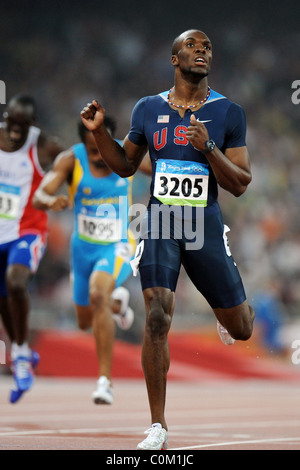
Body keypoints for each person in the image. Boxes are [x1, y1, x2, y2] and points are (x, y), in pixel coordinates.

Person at [80, 29, 255, 450]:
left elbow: (241, 184)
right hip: (160, 220)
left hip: (204, 223)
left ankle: (224, 312)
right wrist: (101, 132)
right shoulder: (147, 108)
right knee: (157, 314)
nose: (202, 51)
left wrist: (209, 147)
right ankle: (157, 425)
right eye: (193, 46)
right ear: (175, 59)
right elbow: (124, 165)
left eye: (208, 46)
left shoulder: (229, 112)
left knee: (243, 328)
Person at [33, 116, 150, 405]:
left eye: (103, 147)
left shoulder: (128, 154)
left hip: (119, 242)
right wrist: (51, 202)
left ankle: (104, 382)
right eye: (93, 150)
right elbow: (40, 194)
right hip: (83, 249)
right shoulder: (71, 159)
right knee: (85, 321)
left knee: (98, 292)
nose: (101, 156)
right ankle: (117, 303)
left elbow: (165, 168)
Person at [0, 94, 63, 403]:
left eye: (22, 125)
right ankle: (21, 353)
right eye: (11, 122)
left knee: (15, 280)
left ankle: (21, 356)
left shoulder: (45, 146)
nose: (14, 130)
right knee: (3, 296)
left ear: (32, 125)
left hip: (28, 230)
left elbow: (76, 161)